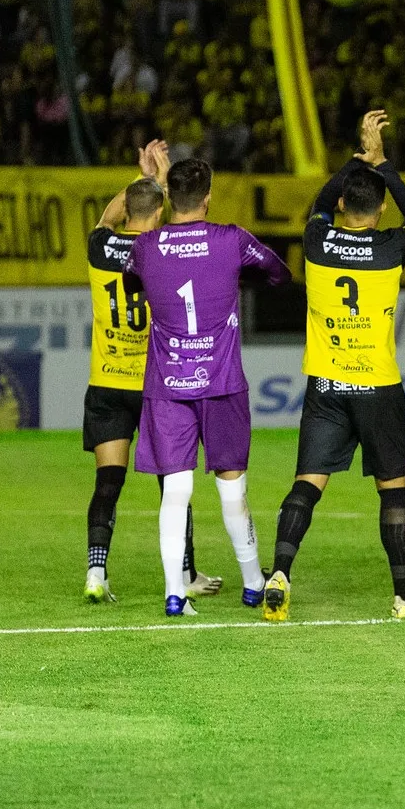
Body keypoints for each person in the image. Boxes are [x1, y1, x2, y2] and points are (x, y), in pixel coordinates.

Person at [264, 112, 405, 622]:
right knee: (394, 490)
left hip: (327, 384)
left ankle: (280, 573)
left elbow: (319, 204)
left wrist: (353, 161)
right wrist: (382, 164)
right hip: (378, 387)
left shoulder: (316, 242)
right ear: (381, 208)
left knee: (307, 482)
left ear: (343, 204)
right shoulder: (392, 247)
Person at [128, 156, 291, 617]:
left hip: (167, 385)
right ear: (208, 197)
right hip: (221, 382)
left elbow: (131, 281)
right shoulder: (231, 239)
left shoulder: (145, 246)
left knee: (175, 490)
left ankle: (173, 593)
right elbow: (279, 273)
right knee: (232, 489)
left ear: (167, 198)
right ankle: (253, 582)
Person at [81, 140, 219, 603]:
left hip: (107, 382)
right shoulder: (160, 250)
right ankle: (186, 573)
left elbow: (111, 214)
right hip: (154, 386)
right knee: (172, 481)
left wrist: (145, 181)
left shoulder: (100, 245)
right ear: (160, 214)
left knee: (108, 483)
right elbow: (153, 220)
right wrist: (159, 183)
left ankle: (97, 573)